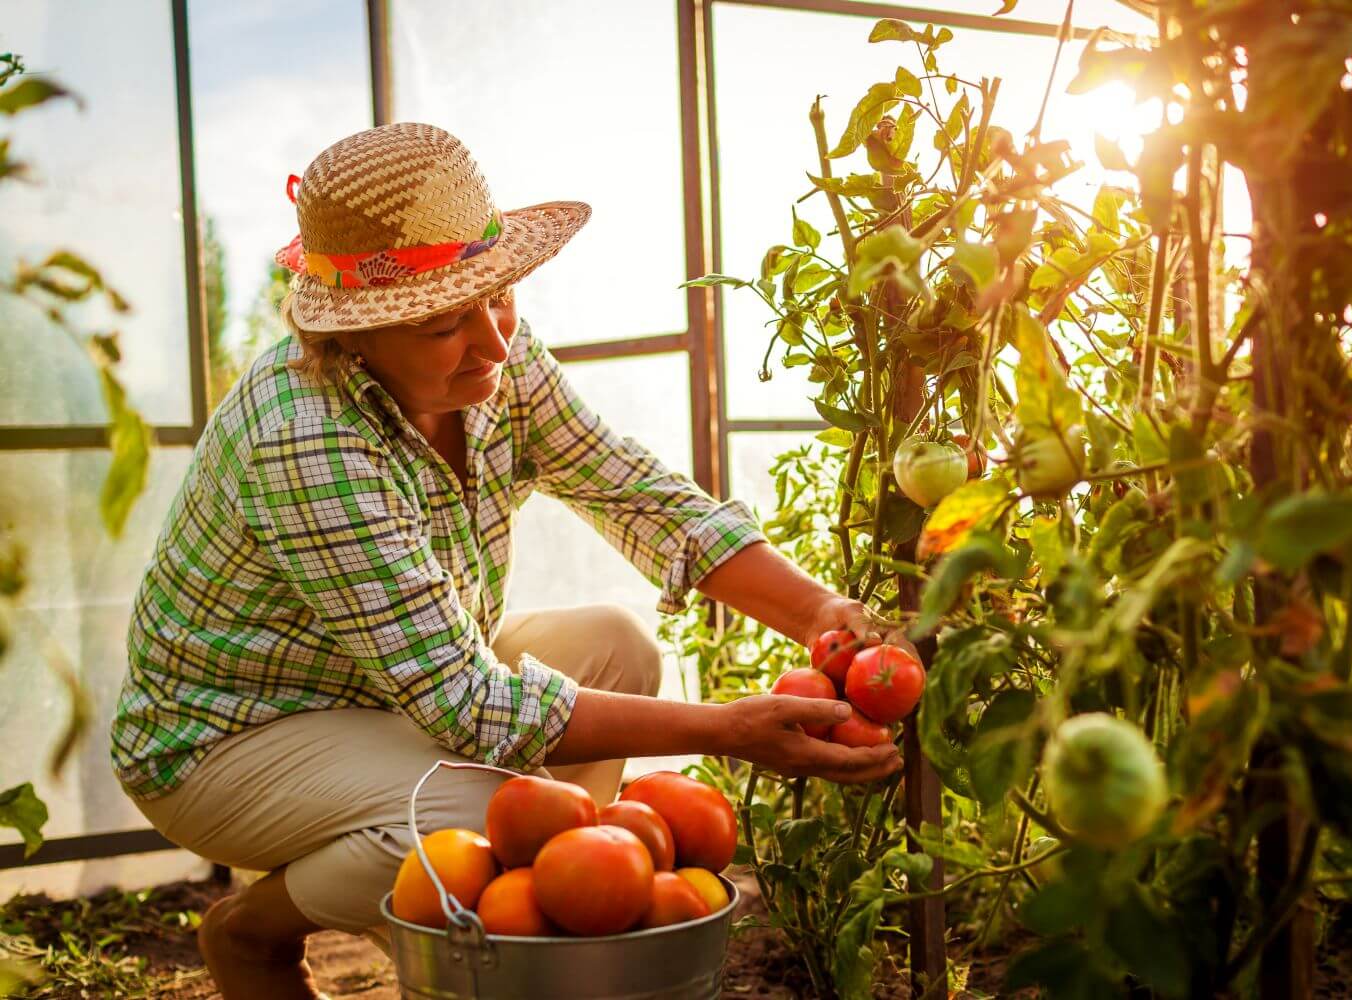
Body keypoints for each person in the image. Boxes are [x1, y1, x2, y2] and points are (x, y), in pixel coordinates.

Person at [110, 122, 908, 999]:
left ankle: (540, 919)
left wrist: (818, 617)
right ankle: (256, 933)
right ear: (356, 334)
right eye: (448, 322)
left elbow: (637, 492)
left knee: (616, 644)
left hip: (387, 686)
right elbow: (466, 703)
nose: (494, 343)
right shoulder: (305, 433)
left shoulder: (494, 354)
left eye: (501, 298)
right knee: (475, 811)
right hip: (231, 738)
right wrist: (730, 733)